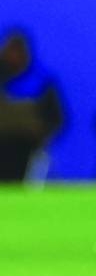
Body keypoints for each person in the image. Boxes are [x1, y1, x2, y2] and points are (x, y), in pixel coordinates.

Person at [0, 29, 63, 182]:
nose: (13, 56)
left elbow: (57, 118)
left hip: (26, 149)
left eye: (18, 50)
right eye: (10, 50)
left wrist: (41, 132)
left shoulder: (40, 83)